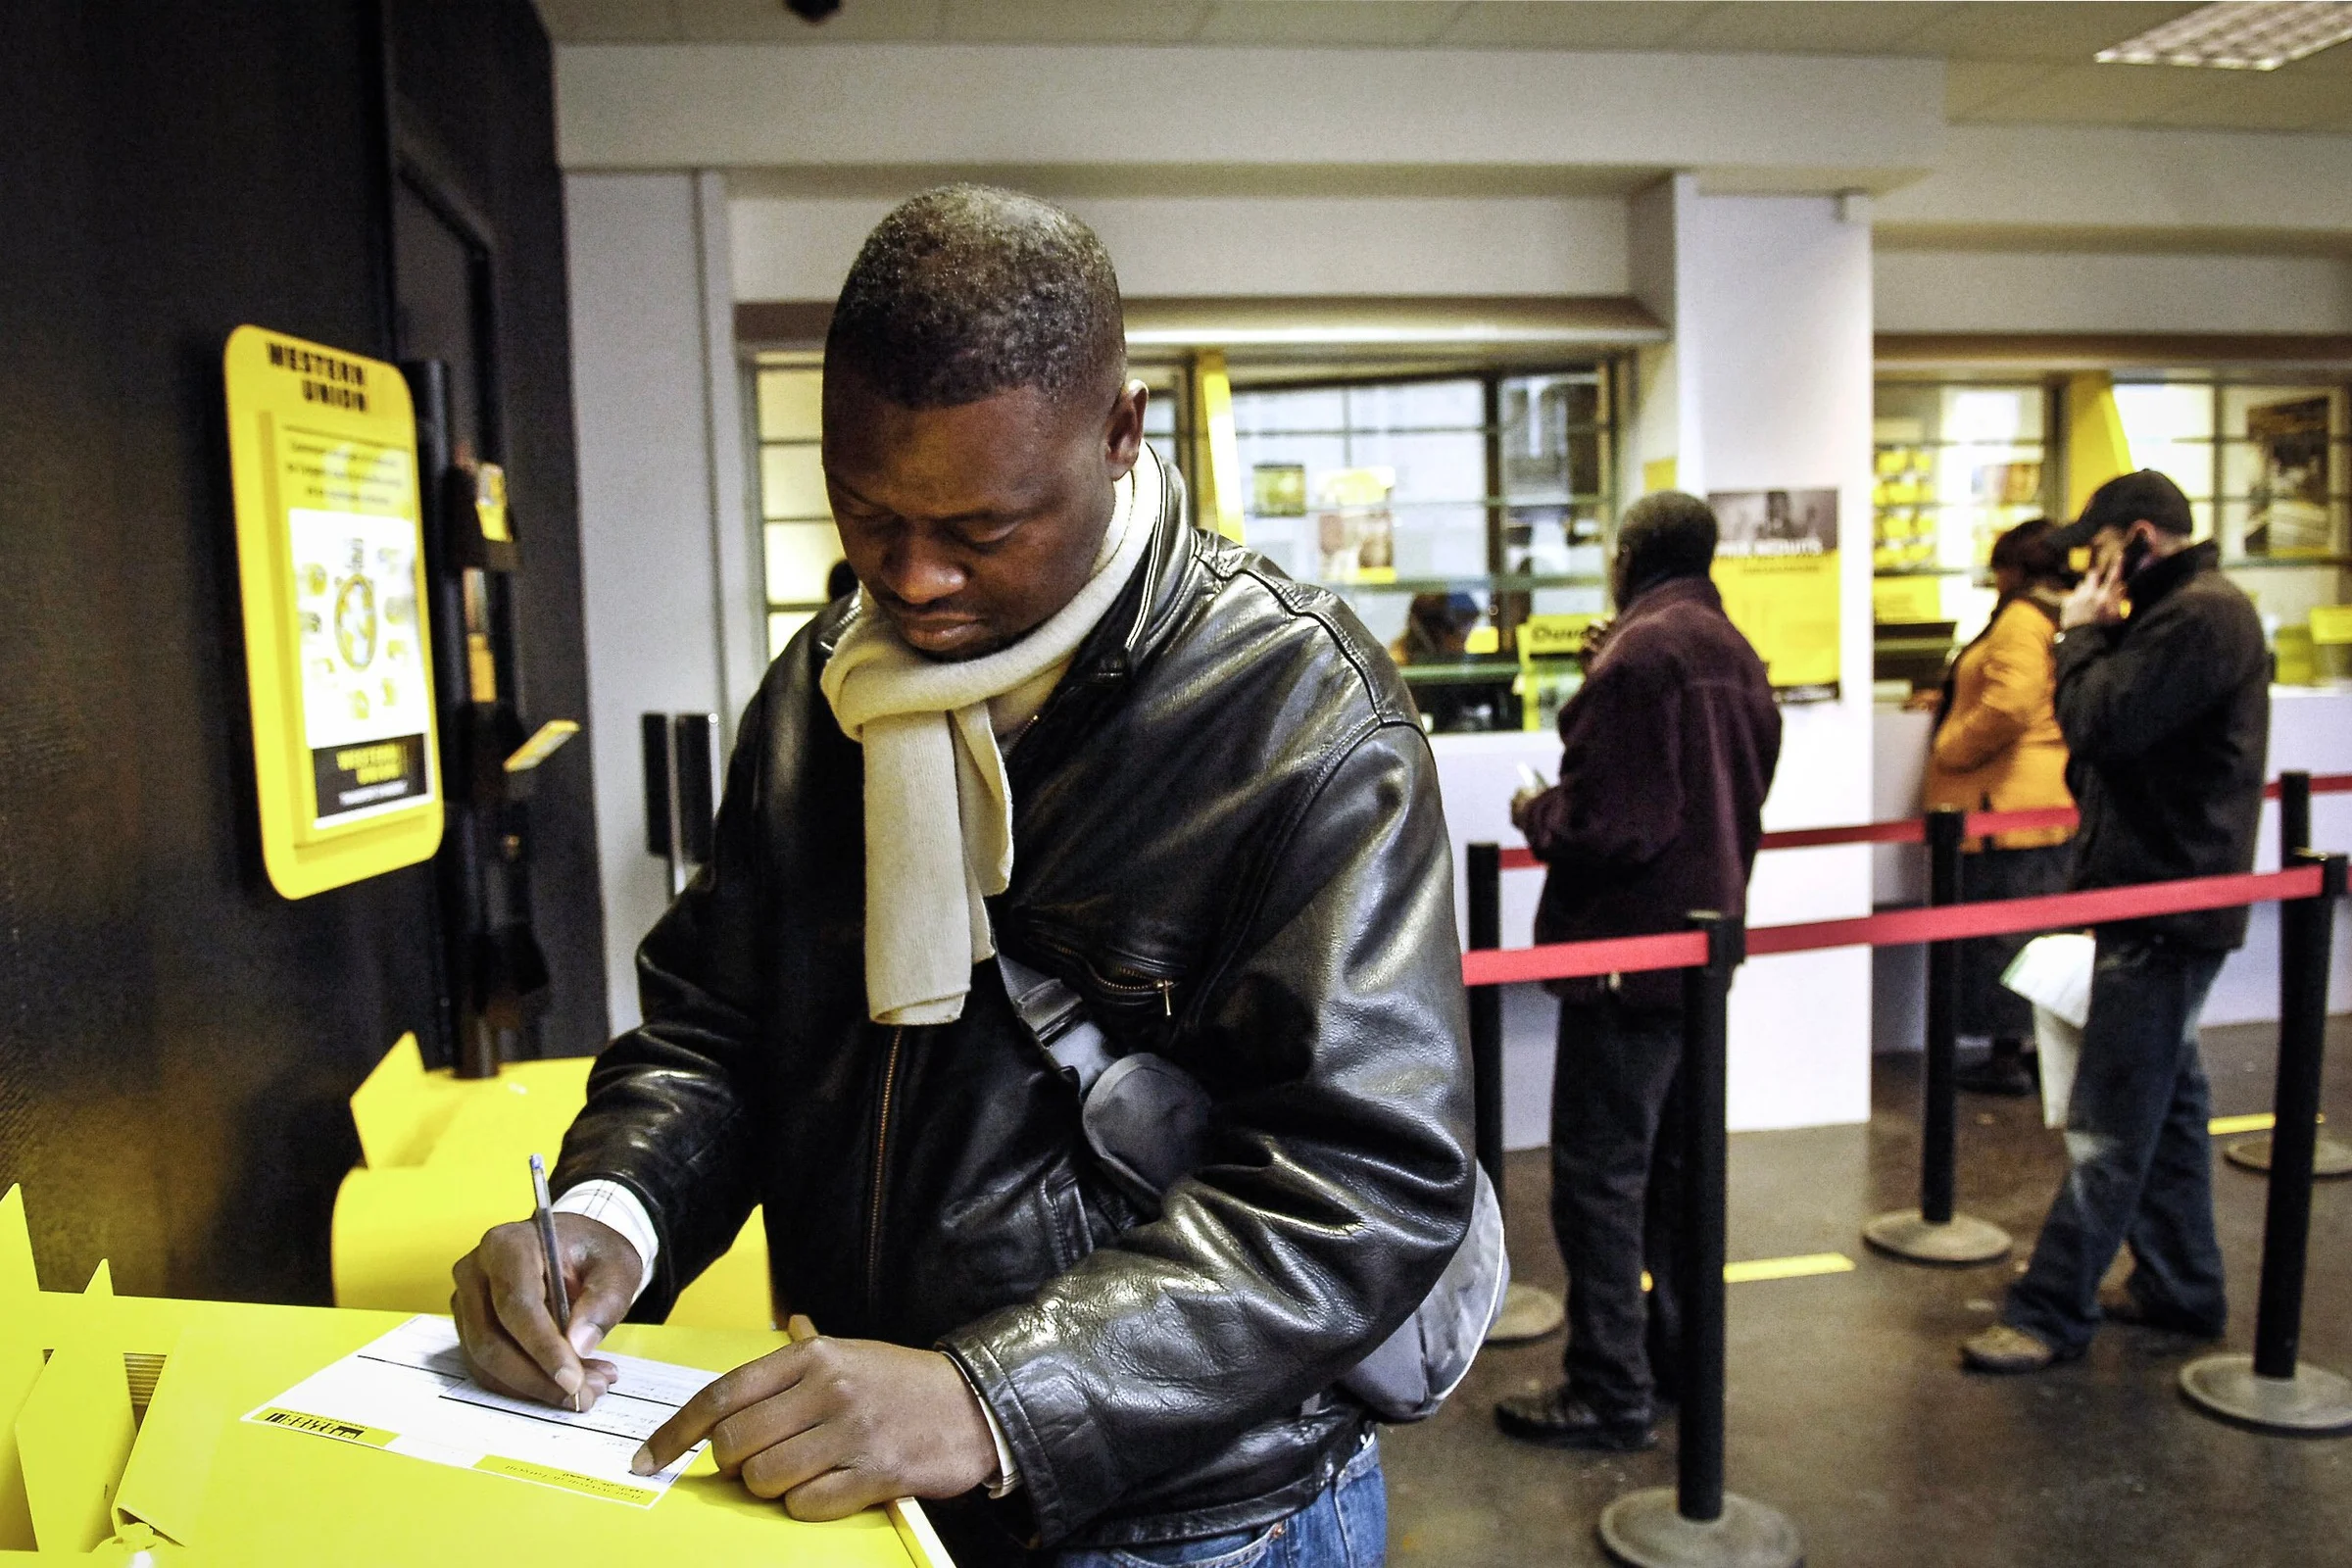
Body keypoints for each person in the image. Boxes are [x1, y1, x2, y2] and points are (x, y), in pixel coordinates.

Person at [448, 186, 1473, 1568]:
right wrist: (611, 1215)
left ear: (1120, 437)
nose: (914, 581)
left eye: (982, 531)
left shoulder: (1302, 723)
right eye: (867, 515)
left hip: (1191, 1519)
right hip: (872, 1478)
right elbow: (720, 1029)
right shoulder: (823, 692)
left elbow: (1364, 1180)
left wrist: (997, 1398)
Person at [1493, 491, 1782, 1451]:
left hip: (1625, 964)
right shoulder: (1732, 652)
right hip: (1700, 963)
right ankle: (1675, 1366)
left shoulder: (1640, 656)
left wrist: (1537, 807)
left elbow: (1611, 826)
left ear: (1627, 553)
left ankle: (1608, 1388)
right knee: (1674, 1182)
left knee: (1598, 1184)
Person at [1962, 470, 2269, 1374]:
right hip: (2161, 895)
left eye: (2100, 545)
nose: (2091, 565)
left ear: (2138, 536)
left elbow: (2100, 722)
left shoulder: (2199, 618)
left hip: (2167, 904)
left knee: (2111, 1123)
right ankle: (2184, 1287)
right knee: (2166, 1106)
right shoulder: (2186, 614)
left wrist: (2085, 637)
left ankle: (2050, 1310)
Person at [1922, 519, 2079, 1097]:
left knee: (2004, 941)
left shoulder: (2019, 620)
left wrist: (1950, 743)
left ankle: (2005, 1058)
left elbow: (2009, 705)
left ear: (2015, 569)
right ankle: (2032, 1051)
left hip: (2004, 804)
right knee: (2033, 934)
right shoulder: (2058, 616)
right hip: (2041, 802)